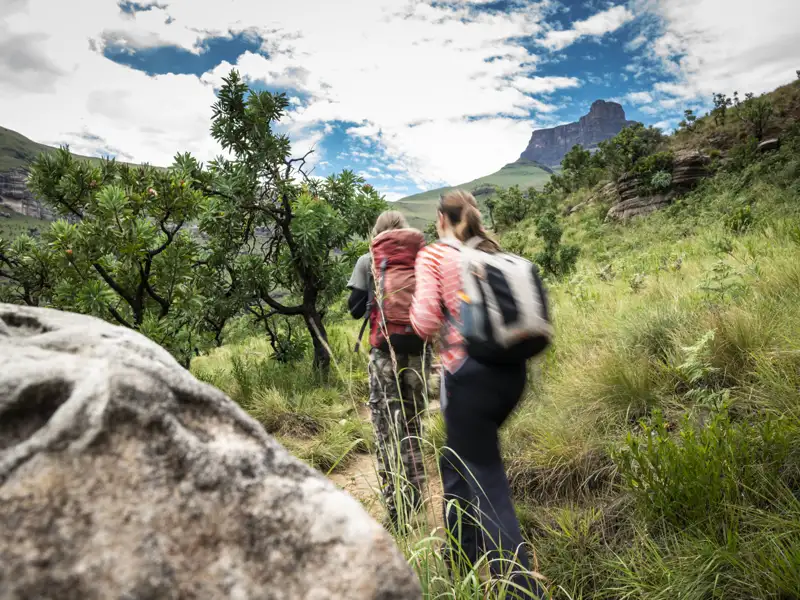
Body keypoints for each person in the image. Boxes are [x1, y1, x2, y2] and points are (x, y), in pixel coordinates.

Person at [410, 190, 545, 598]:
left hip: (466, 377)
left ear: (440, 219)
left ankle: (521, 590)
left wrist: (413, 309)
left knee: (487, 483)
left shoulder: (434, 255)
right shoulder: (489, 250)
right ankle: (460, 565)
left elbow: (425, 319)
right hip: (512, 375)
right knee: (456, 463)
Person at [347, 210, 431, 532]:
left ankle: (395, 507)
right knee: (412, 424)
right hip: (420, 355)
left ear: (377, 231)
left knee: (385, 430)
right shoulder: (422, 258)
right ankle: (416, 494)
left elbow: (354, 310)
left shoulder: (368, 259)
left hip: (384, 355)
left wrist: (373, 297)